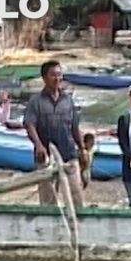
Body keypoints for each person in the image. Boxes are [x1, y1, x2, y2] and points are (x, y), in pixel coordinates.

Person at [24, 61, 87, 207]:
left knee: (76, 193)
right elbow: (29, 124)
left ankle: (79, 220)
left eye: (59, 75)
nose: (57, 78)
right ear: (44, 78)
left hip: (68, 152)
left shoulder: (68, 100)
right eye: (53, 75)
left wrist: (82, 148)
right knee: (48, 197)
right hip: (45, 155)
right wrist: (38, 145)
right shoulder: (36, 101)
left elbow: (74, 126)